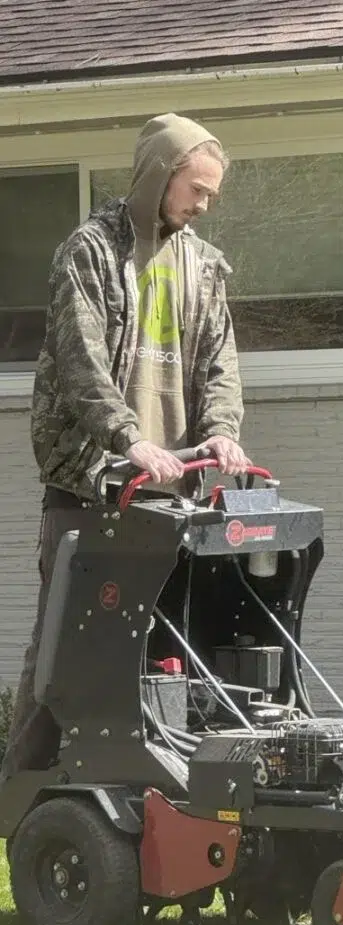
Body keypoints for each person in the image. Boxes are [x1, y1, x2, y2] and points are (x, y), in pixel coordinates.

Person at [1, 112, 249, 782]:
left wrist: (222, 431)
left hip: (172, 495)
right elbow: (80, 362)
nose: (203, 204)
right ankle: (22, 794)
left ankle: (149, 783)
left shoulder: (202, 266)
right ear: (158, 175)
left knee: (165, 642)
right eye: (196, 189)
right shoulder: (90, 252)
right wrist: (130, 438)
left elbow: (221, 364)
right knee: (64, 644)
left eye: (211, 196)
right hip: (93, 481)